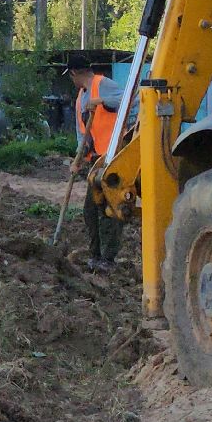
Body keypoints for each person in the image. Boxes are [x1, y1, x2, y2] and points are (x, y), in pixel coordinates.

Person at [66, 54, 124, 271]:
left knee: (109, 210)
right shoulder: (81, 97)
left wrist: (102, 101)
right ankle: (95, 256)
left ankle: (108, 259)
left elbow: (131, 100)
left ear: (74, 73)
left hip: (113, 158)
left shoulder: (103, 84)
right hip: (95, 161)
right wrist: (78, 158)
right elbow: (82, 134)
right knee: (90, 211)